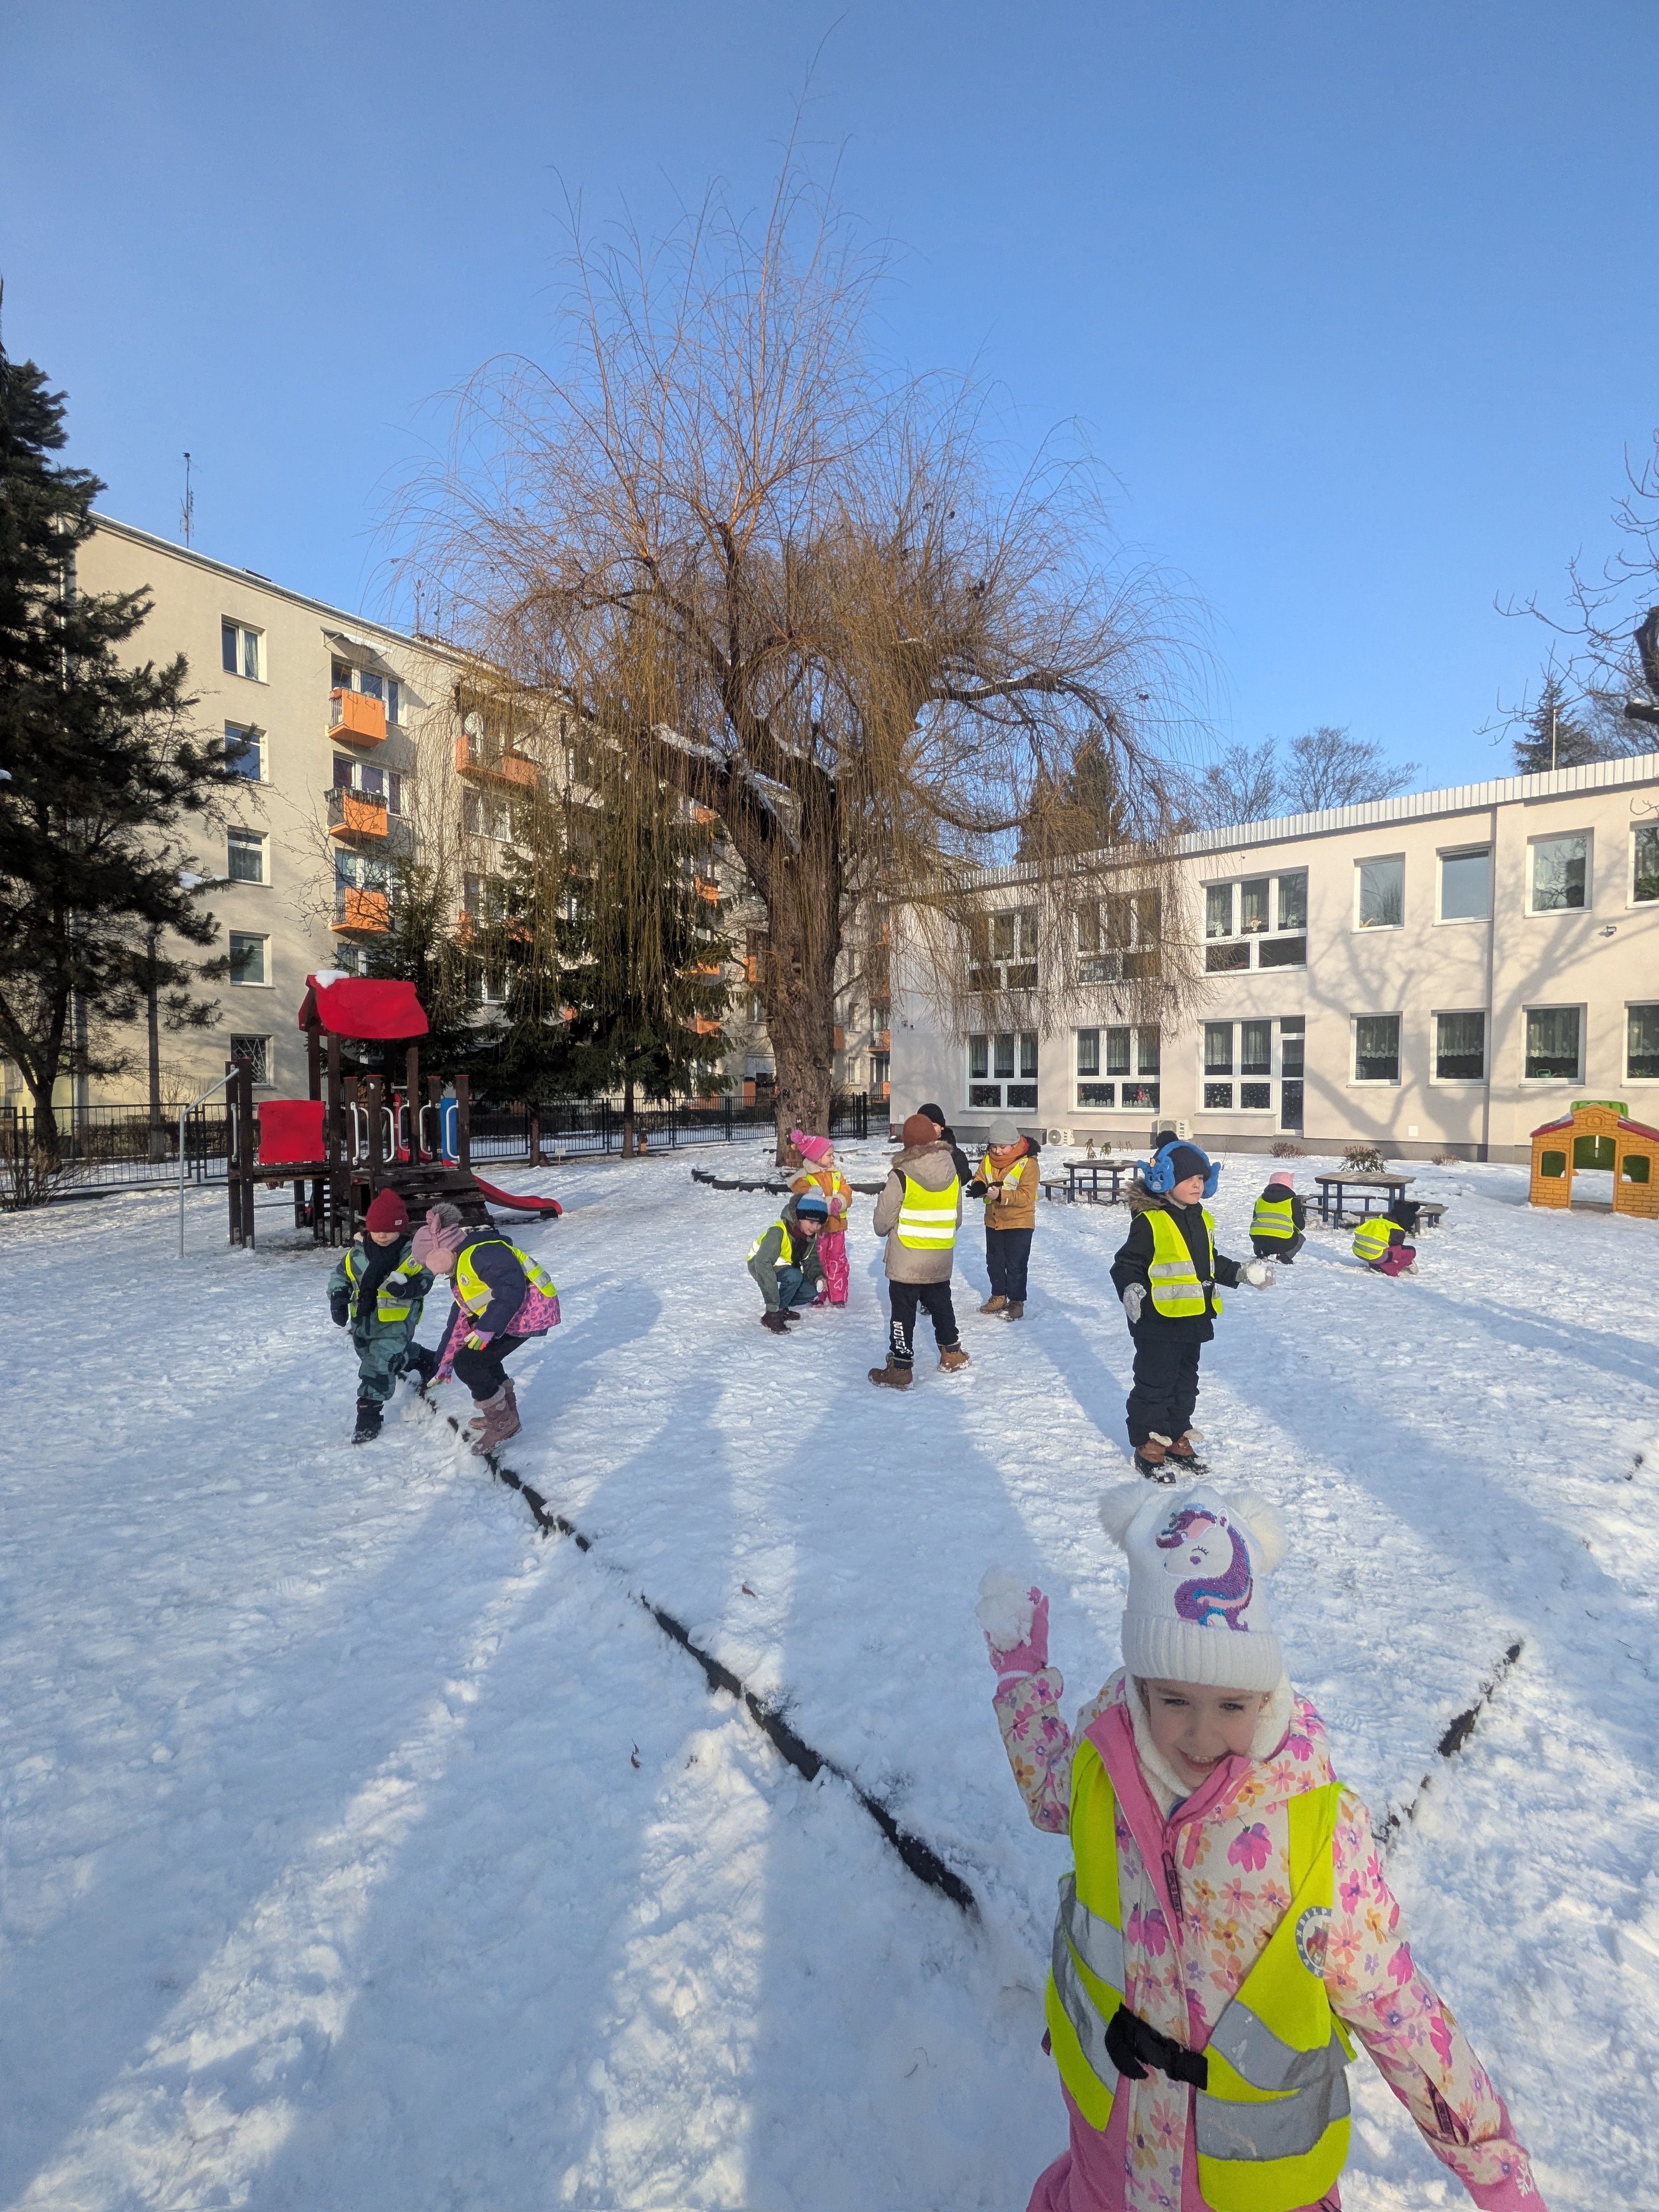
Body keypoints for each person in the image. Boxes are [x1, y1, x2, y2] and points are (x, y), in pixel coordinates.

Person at [978, 1484, 1546, 2212]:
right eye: (1175, 1700)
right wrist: (1021, 1679)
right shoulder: (1107, 1754)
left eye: (1231, 1706)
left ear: (1265, 1694)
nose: (1202, 1735)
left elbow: (1398, 2010)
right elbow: (1053, 1793)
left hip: (1252, 2186)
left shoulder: (1313, 1836)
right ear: (1141, 1686)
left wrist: (1494, 2170)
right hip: (1110, 2155)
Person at [1110, 1140, 1270, 1481]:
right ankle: (1149, 1443)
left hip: (1193, 1320)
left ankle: (1175, 1434)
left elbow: (1209, 1263)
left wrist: (1241, 1273)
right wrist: (1131, 1289)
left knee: (1185, 1384)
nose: (1197, 1185)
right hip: (1157, 1321)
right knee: (1154, 1384)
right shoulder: (1150, 1222)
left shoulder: (1202, 1218)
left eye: (1201, 1178)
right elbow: (1126, 1264)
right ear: (1166, 1180)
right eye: (1188, 1179)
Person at [411, 1201, 561, 1452]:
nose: (434, 1273)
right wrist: (443, 1360)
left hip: (528, 1313)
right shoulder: (463, 1264)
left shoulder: (482, 1253)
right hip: (507, 1315)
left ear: (441, 1253)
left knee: (469, 1363)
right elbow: (459, 1318)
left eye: (430, 1264)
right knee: (481, 1358)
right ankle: (505, 1414)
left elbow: (511, 1287)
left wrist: (487, 1328)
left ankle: (502, 1422)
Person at [869, 1112, 969, 1389]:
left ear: (906, 1143)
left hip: (907, 1259)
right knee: (942, 1304)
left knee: (902, 1313)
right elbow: (957, 1219)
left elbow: (881, 1224)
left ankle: (901, 1367)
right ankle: (952, 1354)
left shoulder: (901, 1175)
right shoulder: (952, 1173)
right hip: (940, 1255)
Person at [327, 1186, 436, 1444]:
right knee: (371, 1355)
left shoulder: (411, 1254)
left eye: (389, 1230)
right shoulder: (357, 1253)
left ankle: (368, 1416)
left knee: (377, 1365)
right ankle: (422, 1358)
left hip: (397, 1323)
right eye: (377, 1230)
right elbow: (341, 1276)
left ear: (401, 1228)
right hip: (363, 1321)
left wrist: (409, 1288)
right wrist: (339, 1298)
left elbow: (426, 1277)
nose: (383, 1235)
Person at [967, 1114, 1040, 1318]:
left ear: (1014, 1144)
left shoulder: (1028, 1164)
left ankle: (1016, 1302)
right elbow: (980, 1177)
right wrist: (978, 1187)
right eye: (994, 1147)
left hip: (1020, 1222)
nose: (998, 1151)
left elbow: (1027, 1196)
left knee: (1016, 1264)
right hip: (994, 1221)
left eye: (1003, 1147)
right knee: (995, 1263)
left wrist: (1001, 1195)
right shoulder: (988, 1160)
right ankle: (998, 1296)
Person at [747, 1188, 830, 1333]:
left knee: (811, 1289)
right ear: (800, 1217)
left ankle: (781, 1309)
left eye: (819, 1224)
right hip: (760, 1263)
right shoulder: (778, 1232)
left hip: (786, 1267)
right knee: (794, 1277)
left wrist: (818, 1276)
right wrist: (772, 1304)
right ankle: (772, 1315)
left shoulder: (809, 1235)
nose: (815, 1228)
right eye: (811, 1222)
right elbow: (762, 1263)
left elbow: (811, 1259)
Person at [788, 1129, 853, 1306]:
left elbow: (847, 1192)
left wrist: (841, 1201)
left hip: (837, 1227)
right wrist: (829, 1204)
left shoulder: (837, 1175)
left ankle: (838, 1295)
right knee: (817, 1261)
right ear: (816, 1157)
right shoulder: (804, 1179)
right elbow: (807, 1197)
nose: (833, 1158)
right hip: (817, 1229)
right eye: (829, 1155)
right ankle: (817, 1294)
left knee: (838, 1261)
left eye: (833, 1155)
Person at [1249, 1167, 1307, 1263]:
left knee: (1262, 1229)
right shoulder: (1292, 1201)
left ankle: (1261, 1253)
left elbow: (1256, 1218)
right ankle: (1284, 1256)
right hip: (1283, 1241)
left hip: (1258, 1239)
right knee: (1300, 1238)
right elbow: (1300, 1226)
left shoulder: (1260, 1200)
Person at [1354, 1198, 1420, 1277]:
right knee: (1410, 1251)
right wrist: (1408, 1261)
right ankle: (1387, 1268)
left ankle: (1373, 1262)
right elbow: (1396, 1249)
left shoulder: (1376, 1221)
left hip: (1359, 1251)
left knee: (1378, 1247)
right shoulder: (1396, 1229)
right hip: (1376, 1256)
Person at [916, 1102, 974, 1187]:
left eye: (933, 1126)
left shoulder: (954, 1154)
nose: (929, 1130)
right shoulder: (912, 1151)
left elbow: (964, 1177)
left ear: (942, 1127)